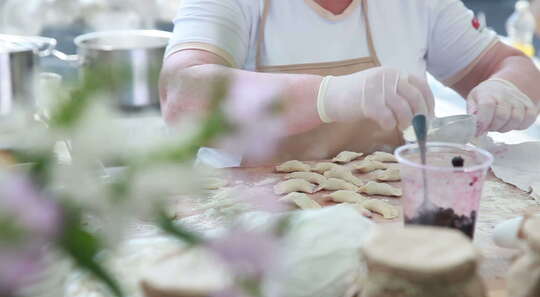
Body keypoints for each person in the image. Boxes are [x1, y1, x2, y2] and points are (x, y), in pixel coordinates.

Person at [160, 0, 540, 163]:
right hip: (253, 225)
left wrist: (505, 87)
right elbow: (181, 96)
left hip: (387, 217)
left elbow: (507, 63)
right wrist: (333, 95)